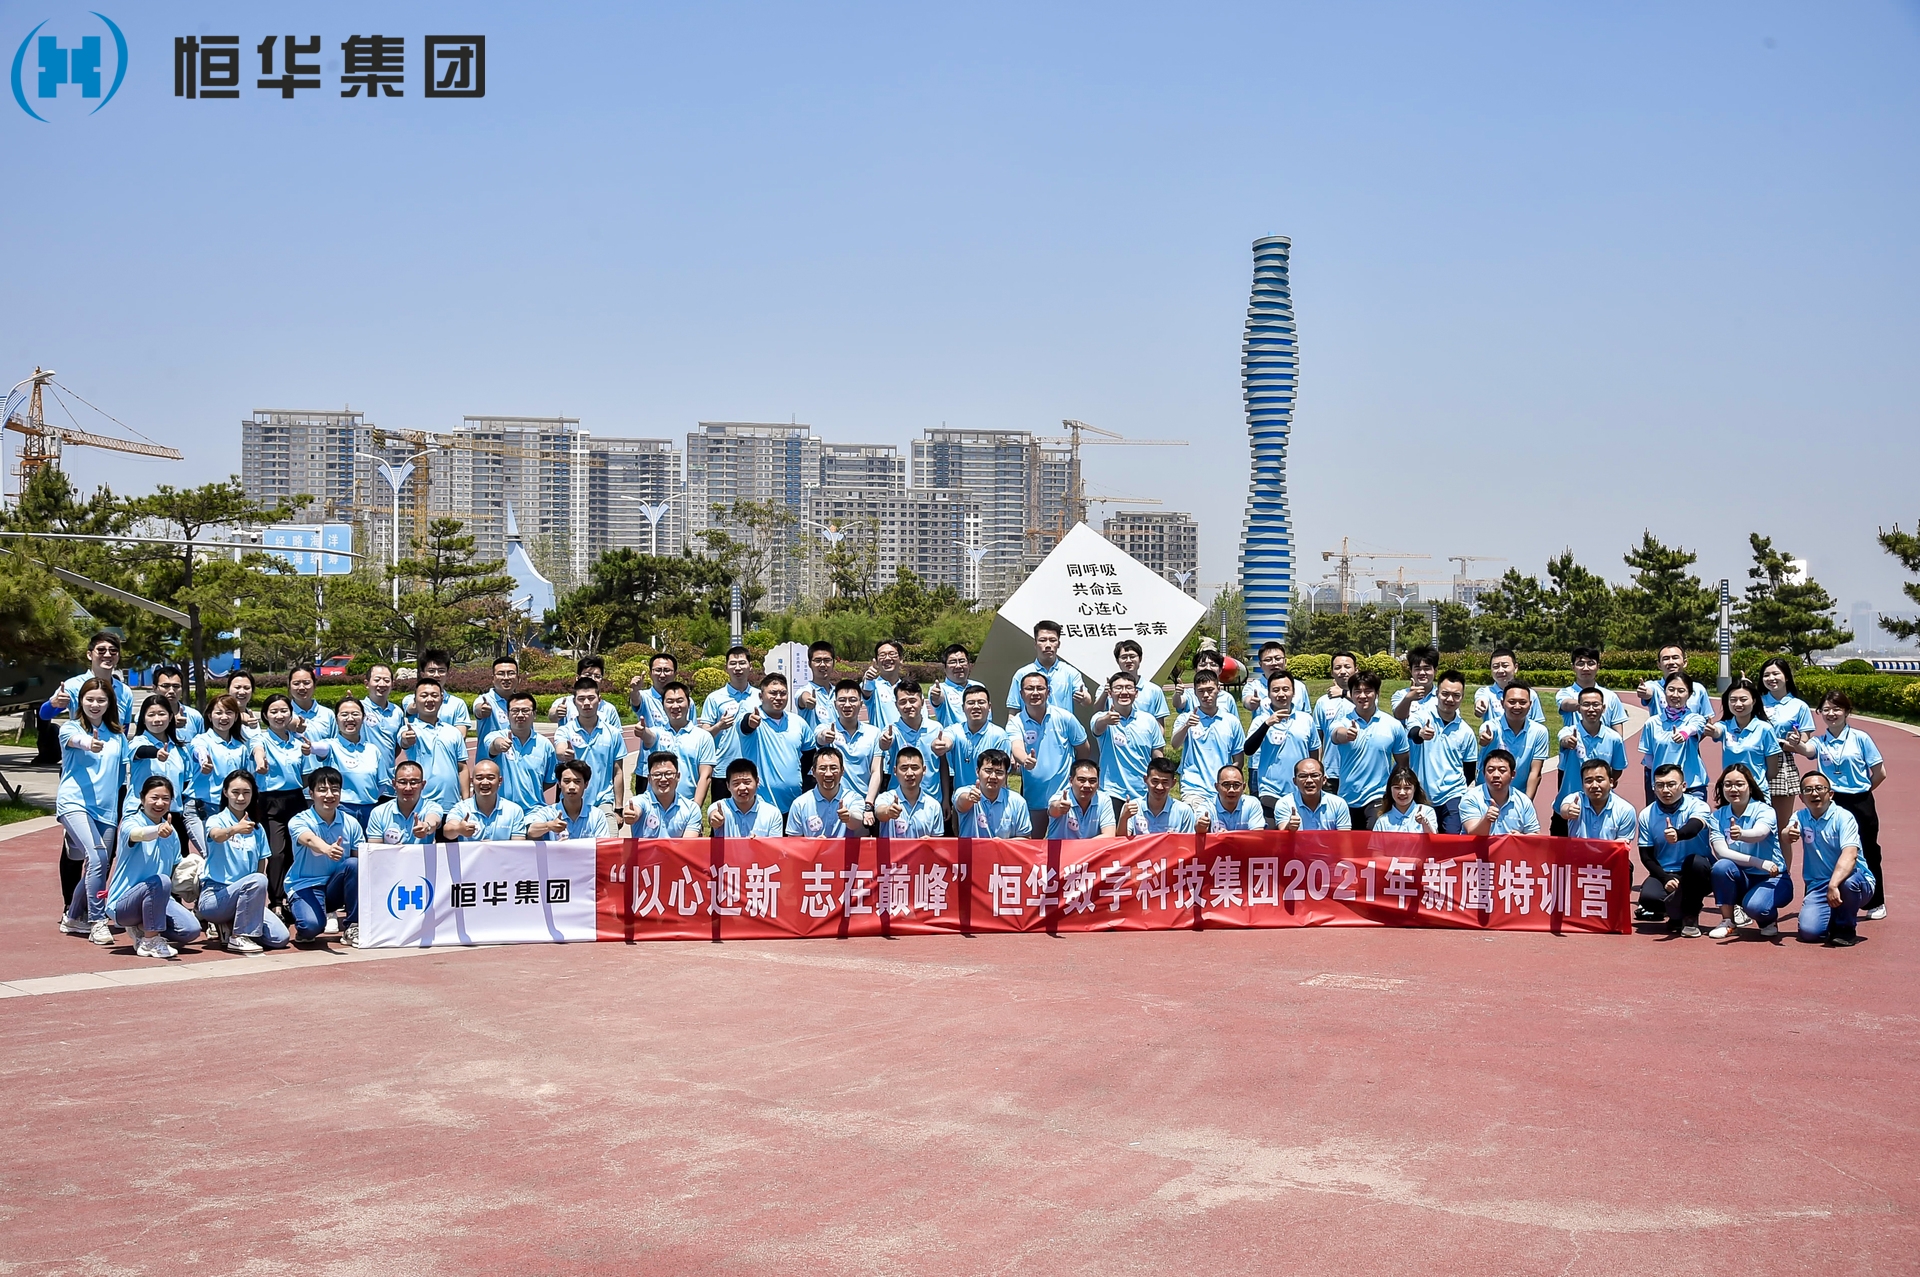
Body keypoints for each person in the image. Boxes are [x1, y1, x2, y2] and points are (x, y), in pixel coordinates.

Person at [55, 679, 127, 945]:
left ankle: (73, 916)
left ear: (109, 704)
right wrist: (89, 744)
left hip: (106, 809)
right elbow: (77, 741)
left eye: (101, 700)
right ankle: (97, 921)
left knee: (100, 863)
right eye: (90, 699)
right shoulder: (70, 728)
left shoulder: (118, 736)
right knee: (96, 858)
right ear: (80, 701)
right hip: (74, 803)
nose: (95, 705)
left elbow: (122, 774)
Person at [105, 776, 204, 959]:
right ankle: (150, 941)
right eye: (154, 797)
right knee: (161, 880)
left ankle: (143, 928)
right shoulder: (131, 822)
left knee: (190, 930)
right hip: (124, 905)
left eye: (165, 798)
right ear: (142, 798)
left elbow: (177, 867)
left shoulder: (172, 833)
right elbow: (137, 834)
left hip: (159, 900)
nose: (160, 803)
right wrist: (156, 831)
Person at [1811, 690, 1887, 919]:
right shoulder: (1819, 741)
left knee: (1868, 849)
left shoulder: (1861, 738)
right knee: (1831, 850)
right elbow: (1806, 750)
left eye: (1836, 709)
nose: (1831, 714)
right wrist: (1796, 743)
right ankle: (1833, 900)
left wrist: (1863, 791)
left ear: (1846, 712)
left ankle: (1876, 902)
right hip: (1832, 802)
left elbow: (1880, 773)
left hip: (1860, 800)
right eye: (1826, 709)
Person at [198, 770, 289, 953]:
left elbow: (261, 865)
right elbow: (216, 835)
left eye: (246, 792)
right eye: (235, 792)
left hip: (247, 897)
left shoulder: (257, 828)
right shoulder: (216, 820)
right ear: (225, 792)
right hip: (216, 896)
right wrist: (234, 829)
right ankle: (239, 936)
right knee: (258, 879)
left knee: (280, 938)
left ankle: (231, 924)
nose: (241, 797)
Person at [1784, 770, 1873, 946]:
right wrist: (1788, 834)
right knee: (1809, 933)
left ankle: (1846, 928)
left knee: (1849, 884)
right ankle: (1833, 917)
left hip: (1852, 879)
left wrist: (1833, 884)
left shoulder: (1844, 817)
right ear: (1801, 797)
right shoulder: (1800, 816)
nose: (1814, 793)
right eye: (1808, 790)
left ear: (1830, 793)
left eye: (1819, 788)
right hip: (1818, 885)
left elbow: (1850, 854)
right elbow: (1787, 832)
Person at [1707, 764, 1789, 939]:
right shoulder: (1717, 817)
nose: (1733, 789)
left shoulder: (1765, 810)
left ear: (1750, 788)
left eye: (1739, 784)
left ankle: (1768, 920)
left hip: (1771, 877)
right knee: (1721, 866)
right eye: (1728, 784)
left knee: (1756, 907)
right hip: (1742, 876)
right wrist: (1757, 862)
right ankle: (1728, 921)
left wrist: (1742, 834)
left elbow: (1760, 833)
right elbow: (1721, 852)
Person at [284, 767, 362, 946]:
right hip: (306, 885)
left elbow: (361, 861)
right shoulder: (300, 820)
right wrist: (327, 849)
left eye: (335, 789)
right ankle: (298, 910)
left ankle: (353, 926)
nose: (329, 795)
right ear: (311, 793)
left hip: (335, 887)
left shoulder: (351, 823)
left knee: (355, 864)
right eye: (322, 790)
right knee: (310, 928)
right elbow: (307, 838)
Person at [1321, 671, 1409, 829]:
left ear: (1377, 692)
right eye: (1357, 691)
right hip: (1347, 797)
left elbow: (1403, 761)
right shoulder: (1341, 722)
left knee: (1374, 836)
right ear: (1351, 694)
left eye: (1368, 691)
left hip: (1378, 796)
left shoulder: (1393, 725)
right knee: (1347, 842)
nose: (1363, 696)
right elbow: (1336, 734)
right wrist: (1346, 734)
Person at [251, 693, 313, 911]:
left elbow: (306, 776)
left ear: (291, 714)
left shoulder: (299, 742)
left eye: (284, 711)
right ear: (265, 715)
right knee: (276, 852)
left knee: (296, 851)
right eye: (274, 711)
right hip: (269, 801)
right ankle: (276, 901)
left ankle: (292, 896)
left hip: (296, 799)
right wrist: (260, 762)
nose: (279, 715)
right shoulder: (260, 739)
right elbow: (258, 752)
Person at [1637, 763, 1715, 936]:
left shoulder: (1699, 806)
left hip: (1697, 871)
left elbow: (1695, 826)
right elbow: (1646, 855)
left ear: (1683, 786)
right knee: (1648, 899)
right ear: (1654, 788)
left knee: (1696, 863)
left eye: (1671, 784)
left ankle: (1690, 915)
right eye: (1660, 785)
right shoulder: (1646, 814)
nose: (1665, 790)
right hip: (1667, 872)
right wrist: (1664, 878)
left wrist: (1678, 834)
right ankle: (1677, 912)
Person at [1008, 670, 1090, 827]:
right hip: (1034, 797)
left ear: (1048, 692)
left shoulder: (1065, 717)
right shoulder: (1016, 722)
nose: (1035, 693)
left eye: (1040, 688)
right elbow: (1016, 746)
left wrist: (1076, 774)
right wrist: (1024, 759)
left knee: (1065, 841)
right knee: (1034, 840)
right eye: (1029, 688)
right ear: (1021, 694)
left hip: (1065, 796)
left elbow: (1083, 748)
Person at [1091, 671, 1166, 827]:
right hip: (1112, 792)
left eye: (1128, 688)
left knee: (1143, 836)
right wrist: (1106, 720)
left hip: (1143, 791)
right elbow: (1097, 727)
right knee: (1113, 837)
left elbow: (1157, 753)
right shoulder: (1101, 718)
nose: (1124, 692)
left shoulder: (1149, 720)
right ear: (1110, 693)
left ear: (1136, 693)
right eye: (1118, 688)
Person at [1407, 671, 1479, 835]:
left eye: (1456, 695)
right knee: (1423, 841)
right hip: (1422, 794)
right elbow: (1413, 733)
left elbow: (1469, 770)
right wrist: (1421, 733)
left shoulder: (1466, 732)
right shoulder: (1421, 716)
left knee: (1451, 840)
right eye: (1445, 694)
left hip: (1453, 795)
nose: (1450, 699)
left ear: (1462, 697)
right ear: (1437, 693)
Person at [735, 672, 816, 814]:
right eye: (773, 693)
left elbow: (810, 751)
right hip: (759, 805)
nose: (778, 697)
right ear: (761, 696)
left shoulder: (798, 722)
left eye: (783, 693)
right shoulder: (754, 718)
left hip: (793, 803)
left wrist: (799, 775)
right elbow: (745, 725)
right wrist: (750, 722)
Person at [1551, 687, 1627, 836]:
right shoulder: (1568, 731)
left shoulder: (1614, 738)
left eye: (1595, 704)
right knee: (1560, 846)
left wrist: (1602, 785)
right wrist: (1568, 741)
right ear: (1579, 708)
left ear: (1603, 708)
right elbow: (1563, 740)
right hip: (1568, 804)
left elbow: (1618, 768)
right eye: (1586, 704)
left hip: (1599, 805)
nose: (1591, 709)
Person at [186, 695, 251, 867]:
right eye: (219, 713)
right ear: (209, 716)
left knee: (229, 859)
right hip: (200, 809)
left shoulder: (241, 748)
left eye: (229, 712)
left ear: (236, 717)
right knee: (209, 855)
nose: (224, 717)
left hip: (227, 811)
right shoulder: (201, 739)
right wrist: (203, 761)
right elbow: (199, 750)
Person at [553, 677, 627, 820]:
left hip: (603, 802)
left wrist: (618, 808)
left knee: (610, 834)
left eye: (591, 698)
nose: (586, 703)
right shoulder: (565, 730)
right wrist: (564, 754)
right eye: (581, 699)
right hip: (572, 801)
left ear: (599, 700)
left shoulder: (613, 733)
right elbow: (560, 749)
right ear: (574, 702)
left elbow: (618, 772)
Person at [1758, 657, 1818, 833]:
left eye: (1776, 674)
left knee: (1781, 826)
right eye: (1766, 675)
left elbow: (1804, 742)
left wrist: (1784, 743)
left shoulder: (1799, 706)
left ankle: (1781, 854)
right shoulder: (1756, 702)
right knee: (1754, 822)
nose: (1771, 678)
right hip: (1755, 761)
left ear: (1786, 677)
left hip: (1782, 764)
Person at [1245, 673, 1316, 821]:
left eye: (1286, 689)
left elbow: (1314, 751)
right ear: (1269, 694)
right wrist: (1267, 724)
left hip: (1300, 790)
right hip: (1271, 791)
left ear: (1293, 692)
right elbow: (1248, 749)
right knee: (1271, 832)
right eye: (1276, 690)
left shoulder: (1306, 720)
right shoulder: (1260, 720)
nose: (1281, 694)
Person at [638, 681, 718, 809]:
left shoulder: (703, 737)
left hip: (687, 805)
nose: (675, 706)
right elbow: (649, 737)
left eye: (680, 701)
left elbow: (705, 776)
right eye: (670, 701)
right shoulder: (657, 732)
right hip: (655, 807)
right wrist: (642, 732)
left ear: (689, 703)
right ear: (663, 705)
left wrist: (695, 809)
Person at [125, 695, 191, 849]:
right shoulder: (137, 742)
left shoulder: (180, 750)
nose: (157, 719)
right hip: (142, 812)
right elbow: (140, 751)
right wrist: (156, 752)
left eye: (161, 714)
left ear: (170, 717)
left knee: (180, 860)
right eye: (151, 715)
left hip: (173, 813)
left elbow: (186, 783)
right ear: (142, 719)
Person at [1171, 668, 1246, 801]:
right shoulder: (1186, 718)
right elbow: (1175, 745)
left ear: (1219, 689)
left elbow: (1239, 759)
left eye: (1210, 690)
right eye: (1201, 691)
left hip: (1223, 790)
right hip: (1193, 788)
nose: (1206, 695)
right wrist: (1186, 726)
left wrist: (1227, 781)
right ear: (1195, 692)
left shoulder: (1231, 721)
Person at [40, 630, 136, 734]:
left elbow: (124, 729)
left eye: (113, 651)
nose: (108, 655)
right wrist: (53, 704)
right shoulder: (73, 686)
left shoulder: (125, 691)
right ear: (89, 655)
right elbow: (44, 715)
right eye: (101, 650)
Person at [811, 679, 883, 814]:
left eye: (853, 700)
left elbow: (876, 772)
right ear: (835, 704)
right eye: (842, 700)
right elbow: (820, 737)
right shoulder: (825, 728)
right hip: (833, 804)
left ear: (861, 704)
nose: (847, 705)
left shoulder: (874, 733)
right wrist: (824, 737)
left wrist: (868, 804)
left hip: (863, 805)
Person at [311, 698, 384, 830]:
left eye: (355, 714)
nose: (350, 718)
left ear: (363, 717)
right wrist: (309, 746)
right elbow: (318, 748)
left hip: (370, 810)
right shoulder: (330, 746)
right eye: (344, 714)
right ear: (336, 719)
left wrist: (369, 799)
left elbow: (382, 783)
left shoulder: (373, 750)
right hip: (341, 808)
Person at [400, 678, 470, 812]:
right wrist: (407, 738)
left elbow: (462, 768)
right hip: (421, 808)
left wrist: (466, 802)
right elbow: (404, 740)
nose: (429, 699)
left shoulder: (453, 732)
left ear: (441, 699)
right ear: (415, 700)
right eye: (424, 695)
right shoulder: (409, 729)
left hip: (452, 808)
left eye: (434, 695)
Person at [1706, 677, 1781, 801]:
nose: (1738, 704)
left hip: (1757, 794)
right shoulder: (1725, 726)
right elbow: (1717, 731)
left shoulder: (1765, 729)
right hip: (1731, 793)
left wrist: (1755, 782)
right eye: (1733, 700)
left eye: (1743, 699)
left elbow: (1772, 771)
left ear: (1754, 701)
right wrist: (1713, 731)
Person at [483, 691, 557, 813]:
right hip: (500, 810)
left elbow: (549, 781)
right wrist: (499, 744)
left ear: (534, 714)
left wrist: (531, 791)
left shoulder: (545, 745)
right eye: (515, 711)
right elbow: (493, 746)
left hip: (533, 810)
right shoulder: (494, 736)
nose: (520, 715)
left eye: (525, 711)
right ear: (508, 714)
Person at [1639, 672, 1710, 801]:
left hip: (1691, 787)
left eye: (1681, 691)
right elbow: (1649, 761)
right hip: (1663, 788)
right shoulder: (1652, 723)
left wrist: (1684, 734)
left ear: (1689, 694)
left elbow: (1695, 727)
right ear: (1664, 691)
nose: (1675, 695)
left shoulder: (1695, 718)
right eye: (1671, 689)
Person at [1477, 682, 1549, 799]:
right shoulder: (1491, 726)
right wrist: (1485, 739)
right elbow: (1485, 734)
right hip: (1485, 795)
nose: (1517, 706)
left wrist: (1527, 802)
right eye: (1512, 702)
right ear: (1502, 703)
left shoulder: (1539, 732)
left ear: (1530, 704)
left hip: (1518, 796)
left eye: (1522, 702)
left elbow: (1535, 772)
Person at [945, 685, 1012, 809]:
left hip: (990, 802)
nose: (976, 706)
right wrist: (941, 745)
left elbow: (1001, 776)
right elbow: (946, 740)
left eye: (981, 702)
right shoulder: (955, 731)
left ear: (989, 707)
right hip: (962, 800)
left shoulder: (999, 735)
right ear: (963, 708)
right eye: (971, 703)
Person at [878, 680, 947, 797]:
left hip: (933, 797)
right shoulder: (892, 730)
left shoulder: (936, 728)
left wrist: (945, 798)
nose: (908, 706)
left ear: (922, 702)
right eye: (902, 702)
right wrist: (884, 742)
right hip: (900, 799)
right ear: (896, 705)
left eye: (912, 701)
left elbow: (943, 765)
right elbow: (884, 743)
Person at [1006, 620, 1091, 713]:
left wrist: (1084, 697)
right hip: (1030, 723)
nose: (1048, 645)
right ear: (1035, 644)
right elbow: (1013, 710)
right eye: (1042, 640)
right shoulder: (1022, 674)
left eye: (1053, 640)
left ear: (1058, 644)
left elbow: (1087, 701)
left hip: (1062, 722)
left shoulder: (1070, 672)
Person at [700, 646, 761, 768]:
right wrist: (719, 726)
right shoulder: (714, 698)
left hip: (755, 766)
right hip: (723, 767)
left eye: (742, 663)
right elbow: (704, 736)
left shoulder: (760, 696)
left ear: (750, 666)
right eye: (733, 663)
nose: (737, 668)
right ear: (726, 668)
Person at [1556, 757, 1641, 844]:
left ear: (1611, 782)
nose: (1594, 785)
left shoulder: (1625, 810)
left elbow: (1622, 843)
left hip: (1609, 853)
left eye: (1599, 780)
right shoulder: (1576, 800)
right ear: (1582, 785)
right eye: (1589, 781)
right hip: (1577, 852)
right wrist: (1568, 810)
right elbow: (1564, 809)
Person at [953, 748, 1035, 838]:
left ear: (1006, 775)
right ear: (977, 772)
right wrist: (969, 798)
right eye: (988, 771)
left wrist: (1001, 844)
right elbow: (961, 804)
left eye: (999, 772)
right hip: (971, 847)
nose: (993, 776)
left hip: (1004, 847)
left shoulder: (1017, 802)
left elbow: (1025, 837)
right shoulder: (965, 792)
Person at [442, 759, 530, 841]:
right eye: (479, 778)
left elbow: (518, 845)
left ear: (500, 781)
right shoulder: (460, 808)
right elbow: (447, 831)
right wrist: (458, 829)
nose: (485, 782)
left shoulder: (514, 810)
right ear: (472, 781)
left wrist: (491, 848)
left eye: (490, 778)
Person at [1459, 750, 1541, 835]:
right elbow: (1472, 833)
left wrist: (1521, 837)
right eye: (1490, 770)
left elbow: (1535, 835)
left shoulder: (1523, 801)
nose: (1496, 775)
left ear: (1513, 774)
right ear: (1484, 773)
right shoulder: (1471, 798)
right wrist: (1486, 819)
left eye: (1502, 770)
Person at [530, 759, 616, 840]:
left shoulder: (597, 815)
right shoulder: (548, 812)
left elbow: (603, 845)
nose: (571, 787)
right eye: (566, 781)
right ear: (559, 784)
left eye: (577, 781)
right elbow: (531, 831)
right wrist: (549, 826)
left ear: (586, 784)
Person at [364, 760, 445, 845]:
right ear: (394, 784)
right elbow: (374, 847)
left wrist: (426, 826)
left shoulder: (432, 807)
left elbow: (433, 820)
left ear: (423, 785)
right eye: (403, 782)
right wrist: (393, 850)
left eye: (413, 783)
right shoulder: (378, 813)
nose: (408, 788)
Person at [785, 747, 860, 836]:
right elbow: (793, 841)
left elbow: (858, 822)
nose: (828, 774)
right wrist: (816, 843)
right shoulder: (800, 804)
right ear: (813, 772)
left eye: (833, 768)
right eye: (823, 768)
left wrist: (849, 817)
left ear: (842, 771)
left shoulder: (853, 798)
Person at [873, 746, 946, 837]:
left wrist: (931, 842)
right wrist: (888, 811)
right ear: (895, 771)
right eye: (904, 768)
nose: (910, 773)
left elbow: (938, 842)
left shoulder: (934, 806)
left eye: (915, 768)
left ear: (924, 770)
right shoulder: (886, 798)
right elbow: (879, 813)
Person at [1312, 652, 1358, 791]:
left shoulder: (1364, 698)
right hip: (1330, 773)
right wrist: (1318, 768)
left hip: (1357, 770)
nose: (1342, 671)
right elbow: (1318, 739)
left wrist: (1343, 693)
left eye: (1347, 667)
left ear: (1356, 670)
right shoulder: (1322, 702)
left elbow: (1367, 708)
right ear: (1332, 672)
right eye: (1337, 667)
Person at [1555, 647, 1629, 734]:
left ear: (1598, 667)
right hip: (1575, 742)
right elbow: (1566, 705)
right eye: (1580, 664)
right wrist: (1592, 705)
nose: (1586, 668)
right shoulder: (1565, 693)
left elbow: (1617, 732)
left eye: (1590, 663)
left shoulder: (1611, 696)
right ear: (1573, 667)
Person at [359, 665, 408, 794]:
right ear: (367, 683)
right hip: (363, 782)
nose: (382, 684)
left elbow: (397, 747)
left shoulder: (397, 712)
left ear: (392, 684)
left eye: (386, 680)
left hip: (388, 781)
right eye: (377, 680)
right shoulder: (359, 708)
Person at [707, 759, 787, 836]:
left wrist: (759, 842)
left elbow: (774, 844)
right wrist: (715, 819)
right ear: (728, 785)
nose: (742, 788)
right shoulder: (721, 807)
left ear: (757, 782)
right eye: (736, 784)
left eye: (747, 782)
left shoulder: (772, 814)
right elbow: (713, 813)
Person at [1121, 757, 1197, 834]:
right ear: (1145, 779)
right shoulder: (1132, 807)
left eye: (1165, 782)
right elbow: (1121, 840)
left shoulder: (1184, 811)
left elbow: (1189, 841)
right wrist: (1124, 818)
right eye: (1155, 781)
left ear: (1173, 783)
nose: (1159, 787)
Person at [1271, 757, 1351, 831]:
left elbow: (1344, 837)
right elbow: (1283, 832)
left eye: (1314, 775)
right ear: (1295, 781)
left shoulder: (1339, 803)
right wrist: (1289, 827)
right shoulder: (1284, 803)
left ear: (1324, 780)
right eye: (1303, 776)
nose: (1309, 780)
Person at [1636, 644, 1714, 720]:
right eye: (1666, 658)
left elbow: (1707, 718)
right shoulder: (1654, 686)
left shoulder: (1698, 689)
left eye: (1675, 658)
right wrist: (1645, 692)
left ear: (1685, 663)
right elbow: (1648, 690)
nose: (1671, 662)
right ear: (1659, 665)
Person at [1046, 758, 1117, 840]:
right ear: (1071, 781)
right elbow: (1053, 809)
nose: (1087, 785)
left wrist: (1082, 846)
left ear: (1098, 783)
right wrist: (1059, 807)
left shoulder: (1104, 800)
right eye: (1082, 780)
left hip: (1091, 848)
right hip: (1061, 848)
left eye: (1092, 781)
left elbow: (1109, 835)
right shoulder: (1060, 798)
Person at [404, 650, 472, 734]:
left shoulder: (458, 704)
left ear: (447, 674)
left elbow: (461, 734)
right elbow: (411, 709)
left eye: (441, 671)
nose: (436, 675)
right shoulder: (410, 699)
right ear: (422, 674)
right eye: (431, 671)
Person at [1103, 638, 1171, 721]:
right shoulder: (1106, 688)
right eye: (1124, 657)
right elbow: (1097, 712)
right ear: (1117, 661)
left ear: (1140, 659)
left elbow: (1159, 723)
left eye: (1132, 656)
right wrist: (1105, 693)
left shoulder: (1154, 690)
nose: (1128, 660)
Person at [1474, 649, 1545, 726]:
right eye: (1495, 667)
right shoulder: (1485, 692)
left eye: (1505, 666)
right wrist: (1480, 707)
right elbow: (1481, 700)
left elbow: (1537, 724)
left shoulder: (1530, 694)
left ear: (1516, 668)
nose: (1500, 670)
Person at [1243, 641, 1310, 720]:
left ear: (1285, 661)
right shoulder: (1253, 686)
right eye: (1268, 660)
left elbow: (1307, 714)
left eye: (1278, 659)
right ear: (1260, 664)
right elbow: (1247, 701)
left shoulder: (1299, 686)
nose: (1274, 663)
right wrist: (1251, 703)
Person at [1192, 762, 1266, 832]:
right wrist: (1201, 826)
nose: (1231, 790)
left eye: (1236, 785)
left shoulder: (1252, 804)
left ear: (1243, 787)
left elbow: (1258, 835)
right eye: (1226, 785)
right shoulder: (1207, 807)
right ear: (1217, 787)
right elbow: (1198, 829)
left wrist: (1228, 837)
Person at [926, 643, 985, 729]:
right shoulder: (941, 689)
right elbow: (937, 699)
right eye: (953, 662)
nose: (958, 666)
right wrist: (936, 697)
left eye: (962, 661)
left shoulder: (979, 686)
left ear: (969, 664)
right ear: (944, 667)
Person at [1371, 765, 1439, 834]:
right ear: (1390, 789)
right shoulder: (1382, 821)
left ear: (1414, 789)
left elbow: (1433, 838)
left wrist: (1425, 823)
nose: (1402, 793)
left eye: (1407, 788)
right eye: (1397, 788)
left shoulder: (1427, 812)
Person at [792, 642, 841, 736]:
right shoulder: (804, 690)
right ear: (809, 664)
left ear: (833, 663)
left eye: (827, 660)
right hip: (814, 745)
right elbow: (804, 697)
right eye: (817, 660)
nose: (822, 664)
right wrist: (808, 701)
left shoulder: (838, 693)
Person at [151, 664, 204, 743]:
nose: (171, 691)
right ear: (154, 688)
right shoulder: (145, 715)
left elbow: (203, 743)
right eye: (165, 686)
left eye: (176, 686)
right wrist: (170, 725)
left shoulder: (195, 716)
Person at [628, 651, 681, 731]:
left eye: (667, 670)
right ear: (650, 673)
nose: (662, 675)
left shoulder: (686, 701)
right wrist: (634, 691)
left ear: (675, 674)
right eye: (658, 670)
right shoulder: (644, 697)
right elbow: (636, 699)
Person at [861, 639, 907, 731]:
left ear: (901, 659)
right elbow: (866, 691)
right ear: (876, 661)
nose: (887, 658)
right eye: (882, 655)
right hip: (882, 739)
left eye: (892, 654)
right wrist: (868, 679)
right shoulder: (873, 685)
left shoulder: (908, 688)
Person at [1389, 646, 1441, 725]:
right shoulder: (1400, 695)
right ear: (1411, 671)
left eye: (1426, 668)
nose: (1422, 673)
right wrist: (1408, 699)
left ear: (1435, 670)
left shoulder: (1442, 696)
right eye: (1417, 669)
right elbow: (1399, 716)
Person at [470, 653, 520, 732]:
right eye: (501, 674)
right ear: (492, 679)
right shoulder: (484, 700)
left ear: (518, 678)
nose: (506, 678)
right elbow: (478, 709)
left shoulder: (522, 702)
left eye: (511, 673)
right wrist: (481, 710)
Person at [287, 665, 336, 740]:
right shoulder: (283, 715)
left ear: (314, 685)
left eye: (306, 683)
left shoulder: (327, 714)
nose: (301, 687)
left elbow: (335, 743)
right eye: (296, 683)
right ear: (289, 686)